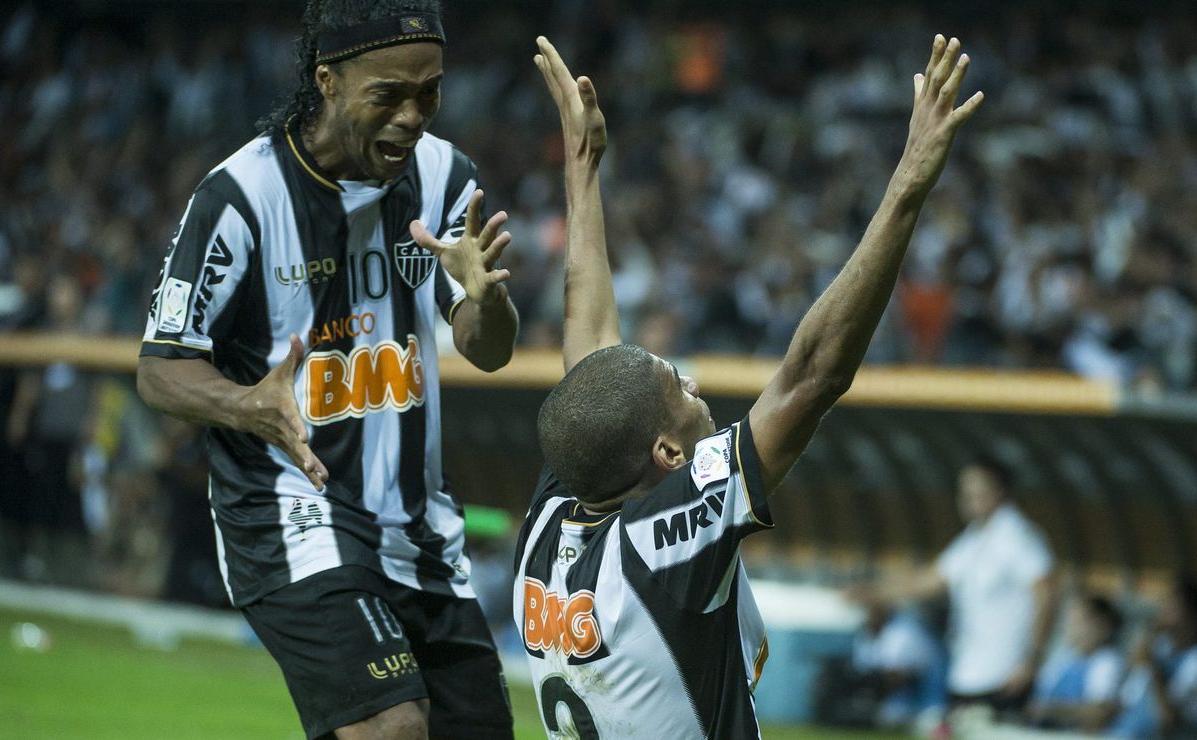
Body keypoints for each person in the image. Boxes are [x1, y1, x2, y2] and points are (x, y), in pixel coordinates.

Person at [514, 34, 982, 739]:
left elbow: (590, 367)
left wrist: (582, 171)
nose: (698, 384)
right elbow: (813, 374)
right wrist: (909, 183)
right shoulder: (661, 546)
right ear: (668, 457)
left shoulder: (553, 519)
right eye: (684, 391)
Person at [136, 1, 518, 738]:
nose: (413, 116)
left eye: (429, 92)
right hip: (289, 513)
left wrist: (485, 296)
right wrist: (249, 405)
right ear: (329, 82)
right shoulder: (240, 198)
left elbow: (488, 346)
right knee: (392, 726)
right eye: (390, 95)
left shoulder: (445, 177)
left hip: (420, 529)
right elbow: (160, 368)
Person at [850, 456, 1059, 715]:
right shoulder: (974, 538)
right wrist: (871, 592)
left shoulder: (1018, 536)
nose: (967, 496)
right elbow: (930, 580)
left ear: (1000, 491)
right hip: (969, 672)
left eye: (976, 488)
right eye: (964, 489)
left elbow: (1046, 594)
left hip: (1006, 674)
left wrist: (1032, 660)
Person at [1026, 593, 1125, 732]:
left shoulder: (1106, 662)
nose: (1072, 628)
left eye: (1080, 622)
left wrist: (1050, 711)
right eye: (1071, 621)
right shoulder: (1064, 656)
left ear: (1103, 625)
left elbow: (1098, 713)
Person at [1112, 577, 1197, 738]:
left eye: (1173, 608)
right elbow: (1125, 701)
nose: (1163, 614)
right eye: (1164, 605)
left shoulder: (1193, 659)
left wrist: (1151, 664)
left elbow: (1168, 718)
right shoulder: (1161, 647)